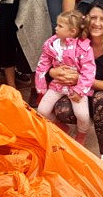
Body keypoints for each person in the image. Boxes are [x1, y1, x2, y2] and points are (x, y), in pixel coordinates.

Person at [50, 0, 103, 170]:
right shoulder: (75, 41)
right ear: (85, 18)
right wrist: (54, 73)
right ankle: (80, 127)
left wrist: (81, 79)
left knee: (101, 100)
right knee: (60, 109)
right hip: (81, 94)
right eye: (93, 17)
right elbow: (50, 61)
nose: (97, 23)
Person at [34, 10, 95, 145]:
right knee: (42, 110)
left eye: (60, 26)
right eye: (57, 25)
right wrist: (41, 87)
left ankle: (81, 133)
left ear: (72, 31)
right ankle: (61, 127)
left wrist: (80, 90)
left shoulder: (83, 48)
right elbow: (42, 65)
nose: (56, 28)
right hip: (58, 84)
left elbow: (89, 71)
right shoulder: (51, 44)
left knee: (82, 115)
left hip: (76, 87)